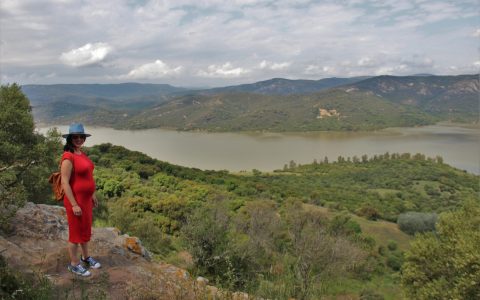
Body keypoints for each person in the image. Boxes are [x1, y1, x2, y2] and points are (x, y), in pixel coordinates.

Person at [60, 123, 101, 276]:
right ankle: (74, 264)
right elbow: (65, 182)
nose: (78, 139)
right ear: (70, 139)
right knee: (75, 234)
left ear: (84, 138)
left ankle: (86, 257)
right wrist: (74, 204)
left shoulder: (81, 153)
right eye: (75, 137)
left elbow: (87, 176)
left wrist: (92, 194)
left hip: (86, 201)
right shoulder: (68, 157)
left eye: (81, 137)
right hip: (75, 201)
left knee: (85, 230)